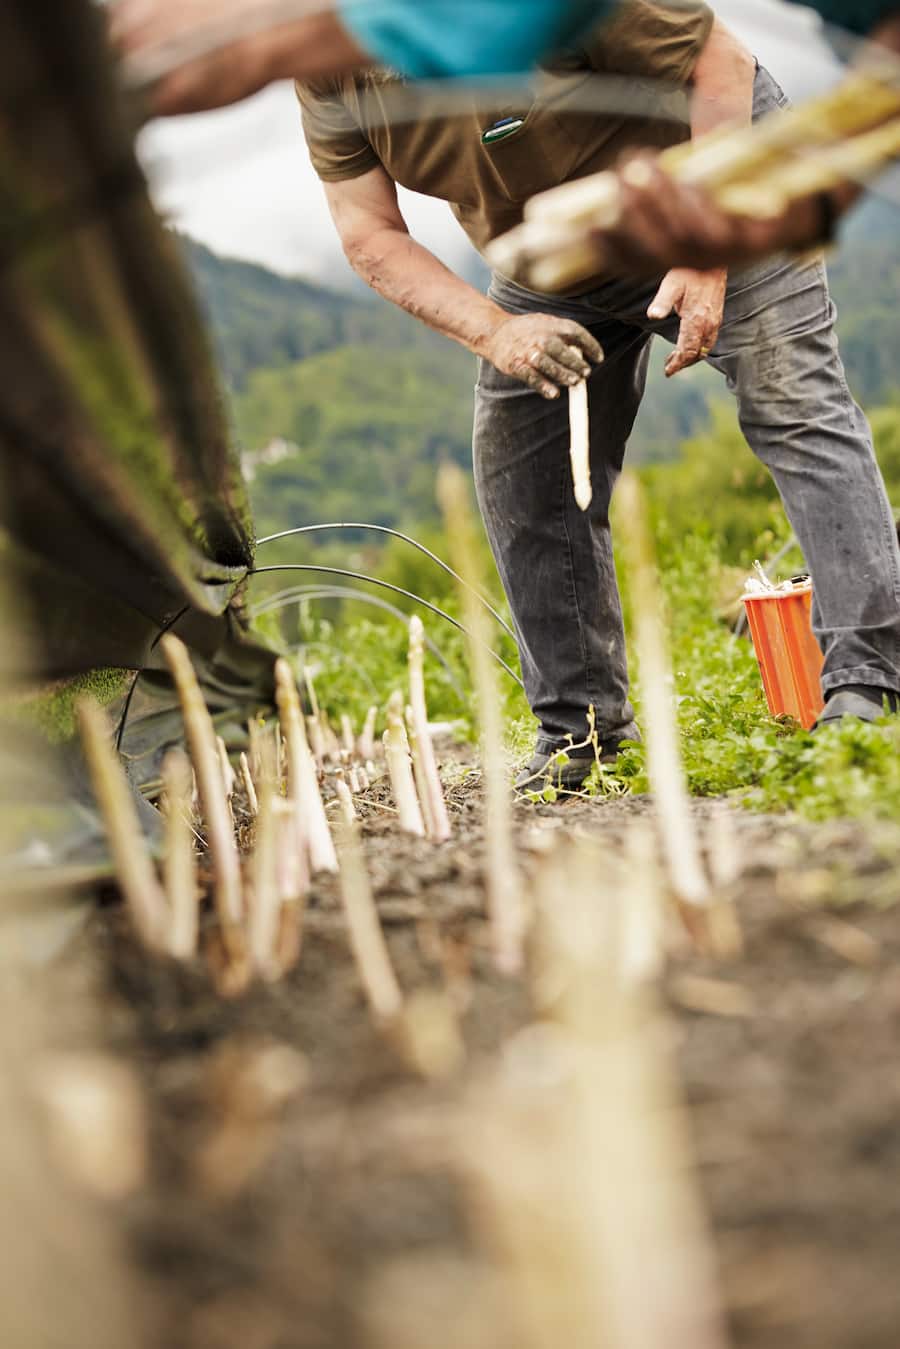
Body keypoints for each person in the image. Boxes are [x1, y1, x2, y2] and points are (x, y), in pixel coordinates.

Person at [295, 0, 900, 787]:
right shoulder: (327, 65)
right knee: (524, 466)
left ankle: (868, 683)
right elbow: (367, 231)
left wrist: (706, 248)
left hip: (705, 175)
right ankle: (581, 730)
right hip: (558, 244)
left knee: (793, 398)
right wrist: (496, 331)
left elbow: (721, 64)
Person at [114, 0, 900, 118]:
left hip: (719, 128)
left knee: (793, 402)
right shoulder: (331, 102)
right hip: (559, 267)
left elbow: (719, 61)